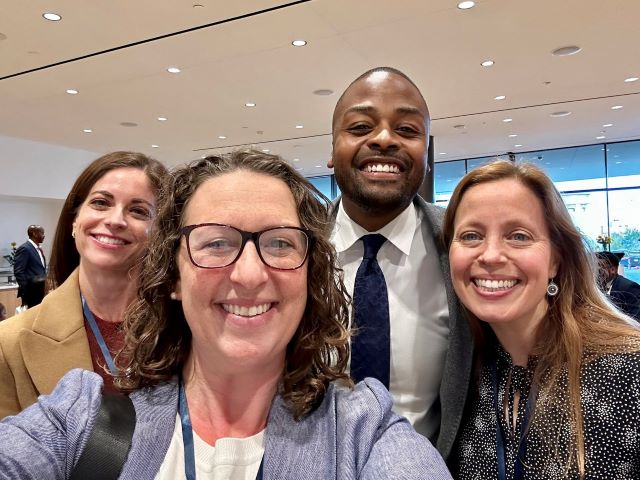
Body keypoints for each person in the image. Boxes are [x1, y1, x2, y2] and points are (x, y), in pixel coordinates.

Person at [0, 151, 452, 479]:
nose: (250, 274)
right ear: (173, 275)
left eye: (280, 243)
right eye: (215, 242)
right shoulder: (80, 415)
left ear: (309, 276)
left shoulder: (362, 432)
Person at [443, 160, 640, 479]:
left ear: (556, 260)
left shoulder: (629, 371)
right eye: (471, 236)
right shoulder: (469, 373)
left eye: (518, 236)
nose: (490, 255)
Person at [328, 66, 472, 459]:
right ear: (331, 149)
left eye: (407, 130)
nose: (385, 139)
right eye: (360, 127)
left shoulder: (465, 250)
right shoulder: (292, 247)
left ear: (426, 155)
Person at [0, 151, 167, 418]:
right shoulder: (8, 343)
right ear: (74, 221)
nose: (115, 220)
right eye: (101, 203)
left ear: (161, 233)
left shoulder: (188, 330)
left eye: (138, 210)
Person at [596, 251, 640, 321]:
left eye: (599, 269)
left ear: (613, 270)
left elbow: (636, 320)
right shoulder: (596, 287)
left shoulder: (629, 287)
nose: (595, 272)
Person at [13, 225, 47, 308]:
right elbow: (18, 271)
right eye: (42, 233)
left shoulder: (38, 249)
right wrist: (27, 290)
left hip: (40, 291)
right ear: (34, 234)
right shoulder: (25, 248)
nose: (44, 235)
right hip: (32, 293)